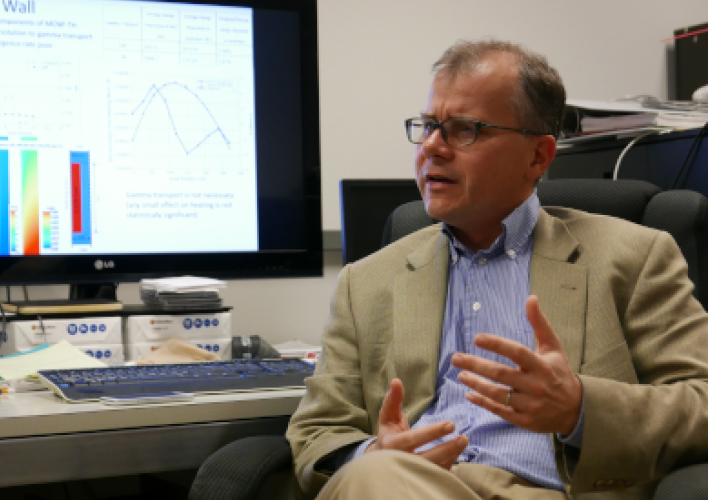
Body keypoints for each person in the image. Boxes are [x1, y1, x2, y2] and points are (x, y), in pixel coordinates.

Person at [286, 39, 708, 500]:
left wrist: (580, 409)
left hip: (547, 491)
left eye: (464, 130)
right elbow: (318, 429)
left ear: (538, 157)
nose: (432, 146)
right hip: (403, 485)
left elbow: (701, 402)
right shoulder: (367, 281)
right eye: (429, 126)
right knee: (375, 475)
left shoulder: (633, 257)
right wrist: (371, 452)